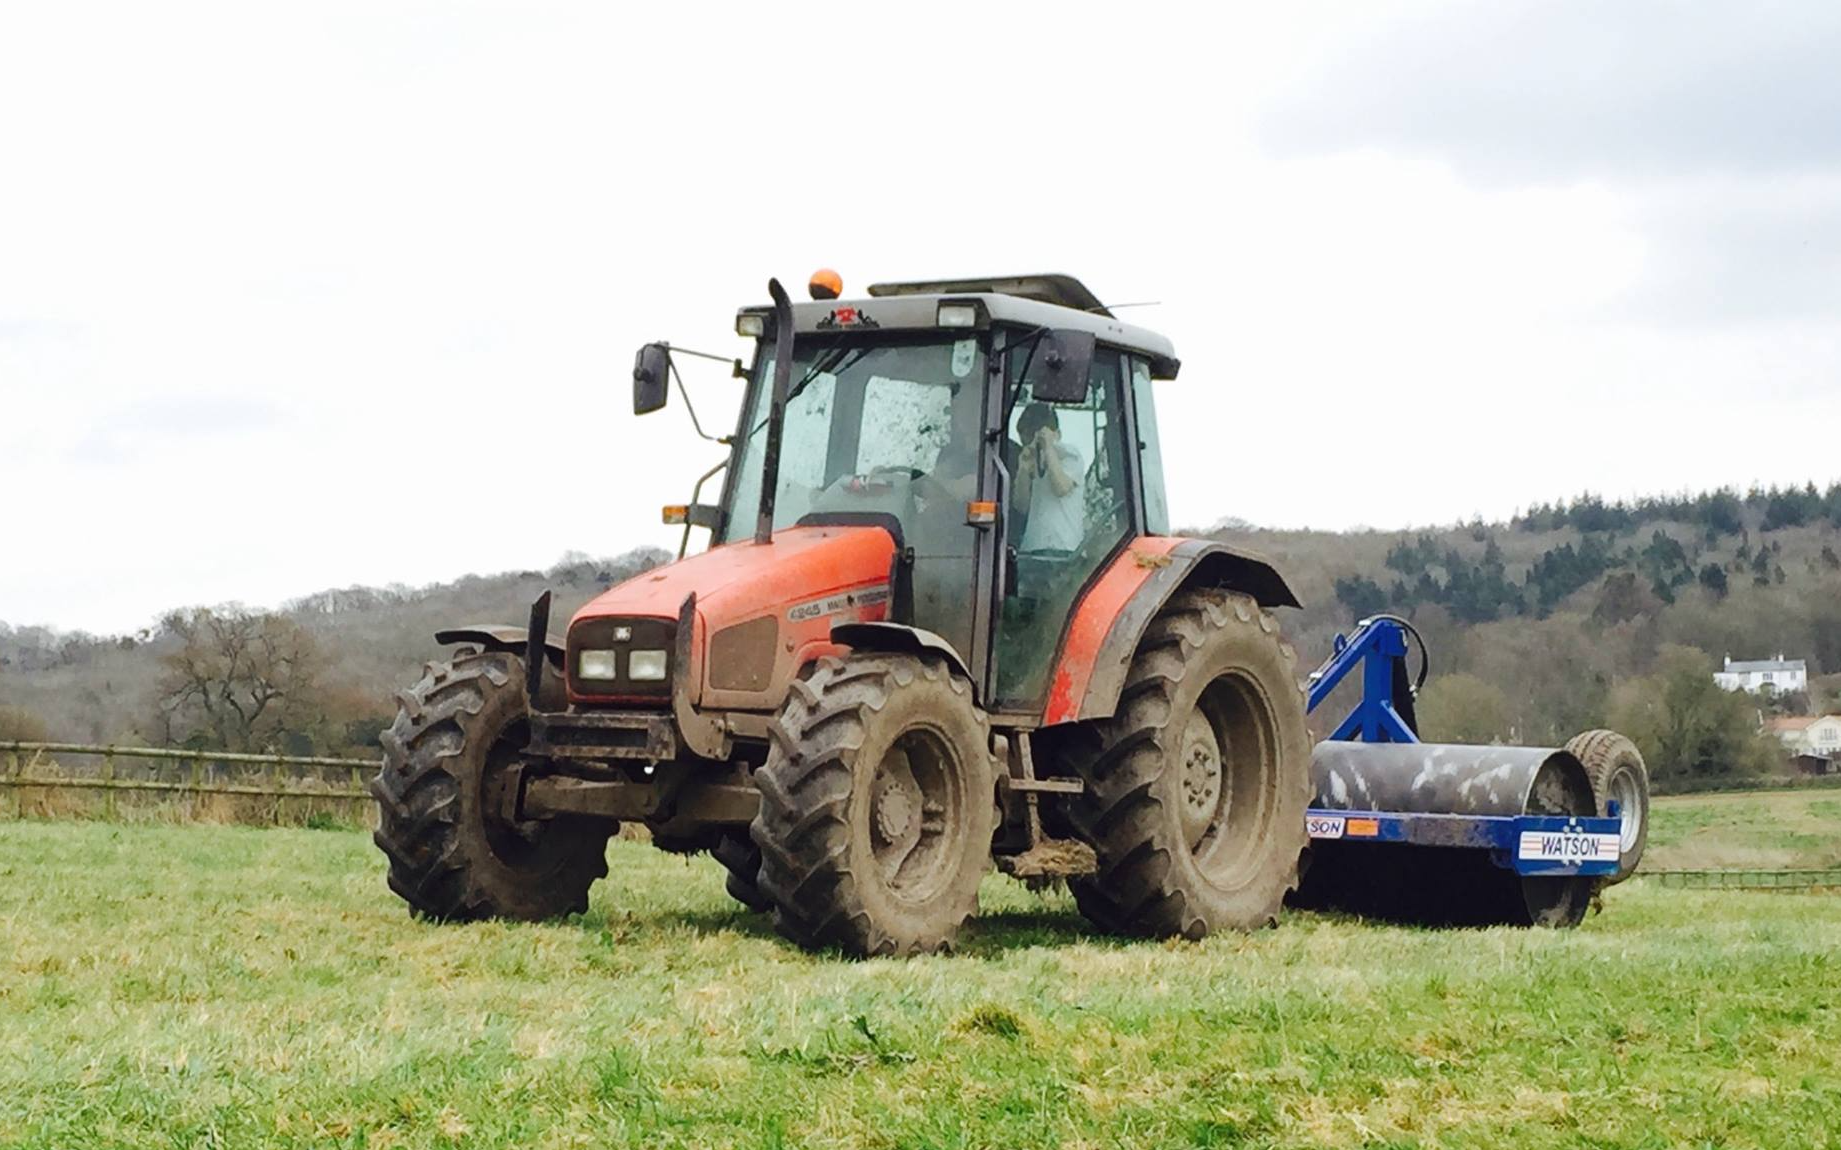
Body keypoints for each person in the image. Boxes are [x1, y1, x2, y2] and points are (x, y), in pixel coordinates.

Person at [1014, 403, 1084, 553]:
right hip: (1033, 547)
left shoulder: (1070, 455)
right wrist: (1023, 470)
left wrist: (1048, 448)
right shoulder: (1032, 458)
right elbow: (1021, 505)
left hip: (1063, 548)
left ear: (1057, 434)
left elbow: (1061, 488)